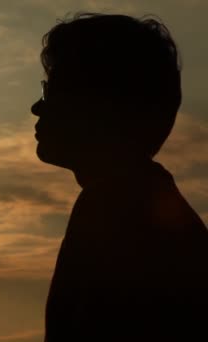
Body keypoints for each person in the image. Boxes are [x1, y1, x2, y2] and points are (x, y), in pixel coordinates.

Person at [31, 13, 208, 341]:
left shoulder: (112, 208)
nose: (36, 108)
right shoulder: (141, 201)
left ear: (96, 104)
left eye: (51, 91)